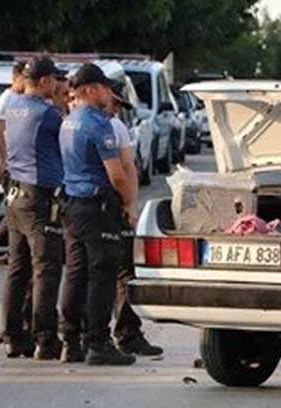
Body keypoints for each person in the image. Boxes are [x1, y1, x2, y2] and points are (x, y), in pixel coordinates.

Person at [58, 64, 137, 366]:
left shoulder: (69, 120)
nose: (108, 93)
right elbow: (117, 175)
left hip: (73, 206)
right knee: (102, 276)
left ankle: (70, 341)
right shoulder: (97, 123)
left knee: (75, 274)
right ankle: (99, 343)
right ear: (90, 90)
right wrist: (128, 203)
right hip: (96, 206)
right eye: (104, 88)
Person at [0, 56, 68, 360]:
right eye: (53, 79)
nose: (56, 84)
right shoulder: (48, 114)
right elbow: (67, 139)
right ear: (42, 82)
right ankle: (45, 338)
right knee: (46, 269)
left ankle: (14, 336)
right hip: (39, 197)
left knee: (18, 269)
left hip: (15, 195)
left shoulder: (12, 106)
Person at [102, 81, 162, 357]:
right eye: (115, 104)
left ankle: (86, 334)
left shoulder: (73, 121)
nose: (116, 111)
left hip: (84, 207)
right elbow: (126, 171)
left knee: (92, 274)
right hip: (112, 205)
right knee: (124, 271)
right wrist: (130, 206)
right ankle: (126, 334)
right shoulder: (113, 128)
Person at [0, 61, 27, 263]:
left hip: (19, 162)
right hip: (10, 163)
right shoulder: (7, 99)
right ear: (17, 77)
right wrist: (3, 158)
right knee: (14, 206)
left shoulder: (21, 99)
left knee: (15, 207)